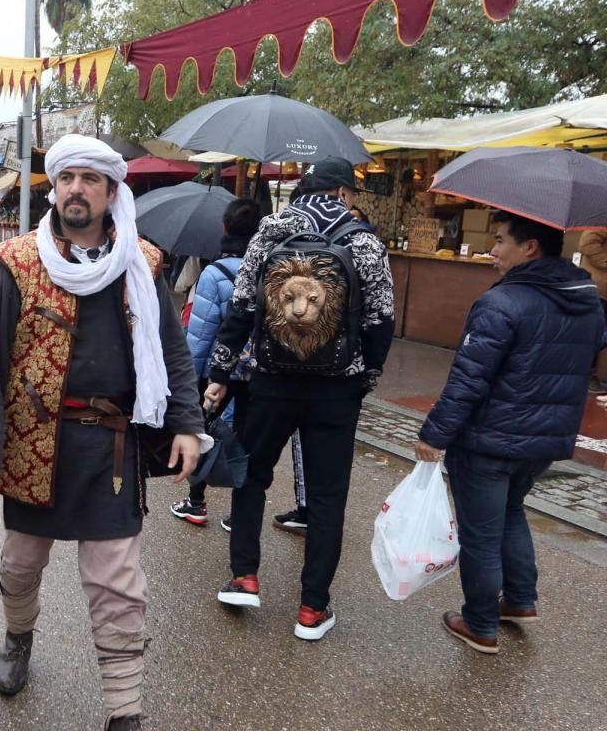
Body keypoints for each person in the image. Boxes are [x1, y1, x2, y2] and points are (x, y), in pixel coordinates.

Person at [0, 134, 204, 731]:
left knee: (118, 581)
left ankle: (124, 709)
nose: (76, 190)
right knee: (20, 564)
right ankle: (17, 638)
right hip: (34, 445)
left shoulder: (142, 264)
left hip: (111, 447)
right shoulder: (18, 263)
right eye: (67, 179)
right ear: (55, 189)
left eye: (90, 180)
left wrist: (188, 423)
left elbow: (171, 349)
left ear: (112, 192)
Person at [205, 156, 394, 641]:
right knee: (328, 497)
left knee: (251, 476)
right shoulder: (365, 240)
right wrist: (364, 377)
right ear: (344, 194)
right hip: (336, 390)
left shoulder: (269, 230)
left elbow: (242, 306)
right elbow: (380, 321)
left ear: (306, 188)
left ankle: (245, 576)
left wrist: (222, 373)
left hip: (270, 382)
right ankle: (312, 608)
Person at [414, 211, 603, 655]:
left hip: (490, 439)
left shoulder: (502, 302)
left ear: (530, 247)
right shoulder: (586, 299)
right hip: (545, 438)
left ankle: (480, 624)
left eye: (500, 241)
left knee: (480, 532)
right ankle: (518, 600)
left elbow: (468, 379)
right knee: (510, 512)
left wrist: (434, 434)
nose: (492, 250)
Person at [171, 197, 260, 526]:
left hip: (217, 373)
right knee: (248, 440)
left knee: (204, 433)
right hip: (255, 372)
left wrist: (190, 380)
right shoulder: (268, 268)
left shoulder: (214, 273)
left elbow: (200, 336)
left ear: (225, 229)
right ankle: (240, 513)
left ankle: (196, 502)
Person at [577, 229, 607, 393]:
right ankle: (586, 375)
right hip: (598, 289)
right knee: (593, 332)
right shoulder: (602, 217)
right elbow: (587, 243)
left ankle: (599, 377)